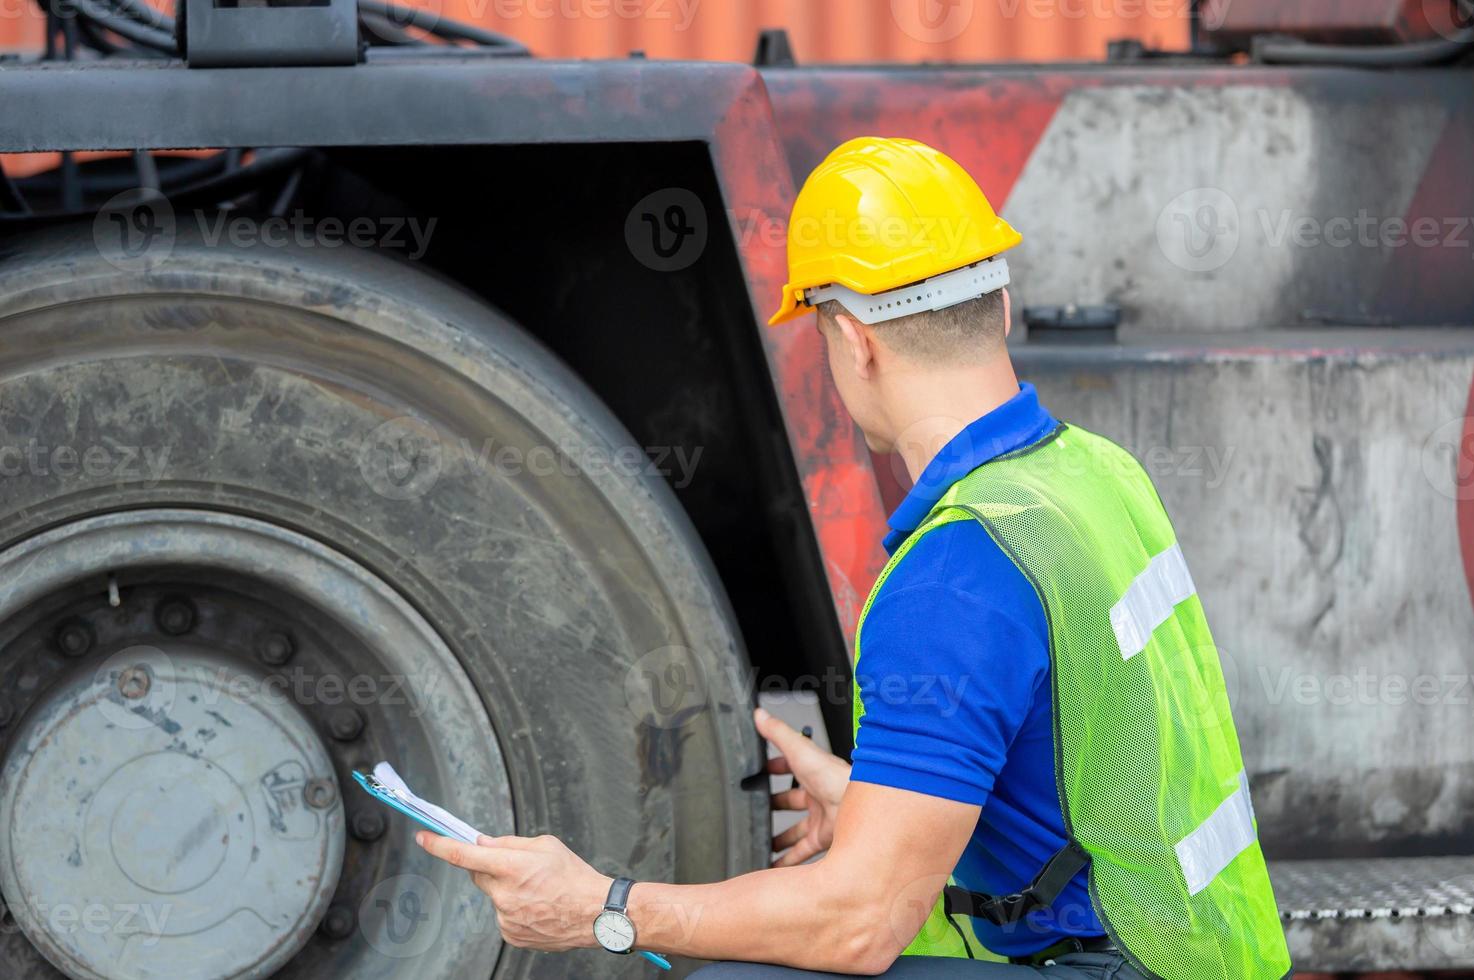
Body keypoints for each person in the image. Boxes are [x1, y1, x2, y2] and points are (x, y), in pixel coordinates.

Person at [417, 137, 1292, 978]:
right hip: (1200, 956)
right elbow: (1087, 754)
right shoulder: (1095, 473)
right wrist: (875, 803)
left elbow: (862, 924)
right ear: (1003, 305)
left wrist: (604, 908)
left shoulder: (956, 574)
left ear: (854, 338)